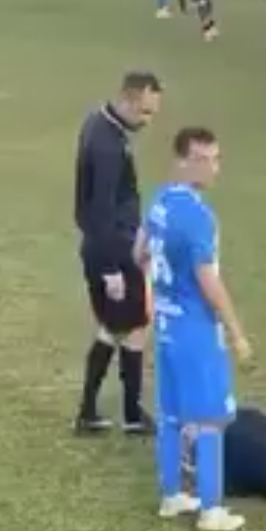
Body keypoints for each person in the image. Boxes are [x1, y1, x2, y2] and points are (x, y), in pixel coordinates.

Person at [141, 127, 252, 531]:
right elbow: (208, 279)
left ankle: (171, 496)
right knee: (209, 420)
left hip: (166, 326)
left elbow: (139, 251)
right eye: (204, 159)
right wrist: (236, 332)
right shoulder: (200, 218)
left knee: (171, 416)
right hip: (195, 330)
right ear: (182, 161)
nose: (213, 168)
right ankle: (211, 510)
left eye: (216, 159)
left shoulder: (160, 201)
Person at [72, 72, 163, 436]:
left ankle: (90, 412)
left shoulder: (98, 122)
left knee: (113, 327)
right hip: (115, 251)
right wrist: (111, 268)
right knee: (137, 325)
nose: (147, 120)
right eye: (144, 112)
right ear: (127, 99)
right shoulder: (108, 145)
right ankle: (132, 415)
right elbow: (100, 208)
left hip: (105, 247)